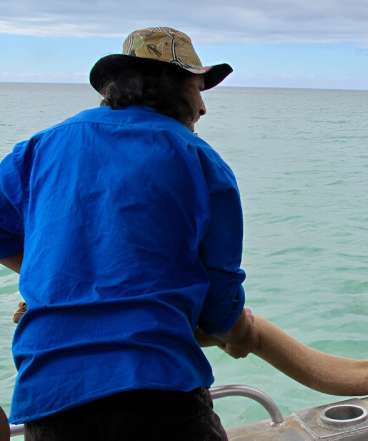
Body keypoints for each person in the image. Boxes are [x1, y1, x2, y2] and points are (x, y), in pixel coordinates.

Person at [0, 27, 258, 440]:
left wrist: (55, 276)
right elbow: (219, 306)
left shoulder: (38, 149)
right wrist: (238, 332)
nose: (204, 107)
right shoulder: (202, 162)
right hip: (160, 394)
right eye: (197, 88)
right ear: (169, 89)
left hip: (52, 397)